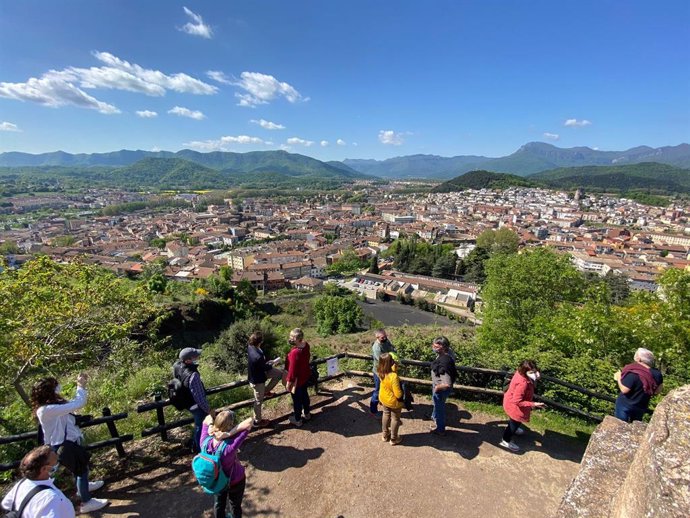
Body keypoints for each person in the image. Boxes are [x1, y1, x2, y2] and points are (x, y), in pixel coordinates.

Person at [30, 374, 108, 513]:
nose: (58, 388)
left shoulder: (51, 406)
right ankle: (86, 501)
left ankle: (83, 486)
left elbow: (71, 409)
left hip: (69, 441)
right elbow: (78, 403)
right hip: (63, 445)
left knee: (80, 467)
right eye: (55, 386)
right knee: (81, 470)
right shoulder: (47, 410)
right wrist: (81, 386)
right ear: (50, 391)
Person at [200, 411, 253, 518]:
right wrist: (229, 434)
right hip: (235, 480)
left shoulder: (204, 442)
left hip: (217, 481)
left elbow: (207, 418)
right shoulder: (230, 447)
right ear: (230, 426)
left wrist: (210, 426)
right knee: (235, 506)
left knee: (219, 504)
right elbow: (249, 421)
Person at [1, 445, 76, 518]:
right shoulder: (50, 498)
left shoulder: (21, 483)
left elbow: (6, 506)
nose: (58, 464)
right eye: (56, 462)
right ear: (44, 469)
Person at [173, 347, 215, 453]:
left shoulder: (177, 366)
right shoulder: (193, 375)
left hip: (187, 402)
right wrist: (208, 409)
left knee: (198, 425)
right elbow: (199, 397)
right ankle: (199, 448)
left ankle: (196, 446)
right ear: (188, 360)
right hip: (195, 405)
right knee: (201, 426)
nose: (198, 357)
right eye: (195, 357)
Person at [501, 360, 545, 452]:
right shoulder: (523, 384)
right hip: (515, 407)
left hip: (510, 401)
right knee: (514, 423)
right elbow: (517, 401)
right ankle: (506, 440)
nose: (534, 374)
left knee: (514, 422)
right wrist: (533, 404)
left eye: (535, 371)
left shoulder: (520, 373)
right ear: (526, 371)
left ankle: (513, 429)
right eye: (531, 372)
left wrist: (536, 375)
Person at [614, 348, 663, 423]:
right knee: (635, 429)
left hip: (625, 404)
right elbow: (657, 391)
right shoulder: (657, 374)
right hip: (641, 405)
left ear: (639, 359)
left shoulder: (634, 371)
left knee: (620, 426)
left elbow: (624, 389)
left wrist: (618, 378)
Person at [247, 331, 285, 428]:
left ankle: (266, 391)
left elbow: (261, 365)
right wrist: (273, 363)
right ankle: (257, 421)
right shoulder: (258, 356)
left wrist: (268, 363)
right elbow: (264, 367)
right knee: (258, 401)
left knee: (279, 374)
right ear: (260, 341)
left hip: (259, 372)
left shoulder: (251, 347)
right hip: (257, 379)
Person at [430, 337, 458, 436]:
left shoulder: (444, 363)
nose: (433, 347)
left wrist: (437, 388)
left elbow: (447, 384)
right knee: (438, 406)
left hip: (440, 389)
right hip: (440, 388)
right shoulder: (448, 355)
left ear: (443, 347)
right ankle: (434, 417)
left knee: (439, 408)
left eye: (436, 346)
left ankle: (440, 429)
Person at [284, 328, 311, 426]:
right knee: (304, 396)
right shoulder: (306, 345)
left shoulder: (295, 352)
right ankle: (307, 414)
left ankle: (298, 419)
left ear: (297, 338)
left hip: (297, 380)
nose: (290, 339)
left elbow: (292, 370)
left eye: (291, 337)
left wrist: (288, 382)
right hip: (305, 376)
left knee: (297, 400)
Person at [378, 353, 404, 445]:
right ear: (390, 362)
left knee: (385, 414)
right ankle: (393, 438)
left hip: (384, 398)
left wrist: (395, 368)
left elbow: (389, 375)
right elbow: (398, 394)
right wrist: (403, 394)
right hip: (393, 402)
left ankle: (385, 435)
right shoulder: (394, 376)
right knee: (395, 419)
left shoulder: (380, 371)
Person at [370, 328, 396, 415]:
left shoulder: (386, 341)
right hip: (379, 372)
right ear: (377, 337)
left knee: (385, 389)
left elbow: (392, 348)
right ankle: (373, 410)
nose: (385, 338)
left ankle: (384, 403)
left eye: (385, 336)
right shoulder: (376, 347)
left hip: (387, 370)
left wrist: (394, 353)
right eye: (382, 337)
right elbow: (382, 360)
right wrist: (392, 359)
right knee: (377, 390)